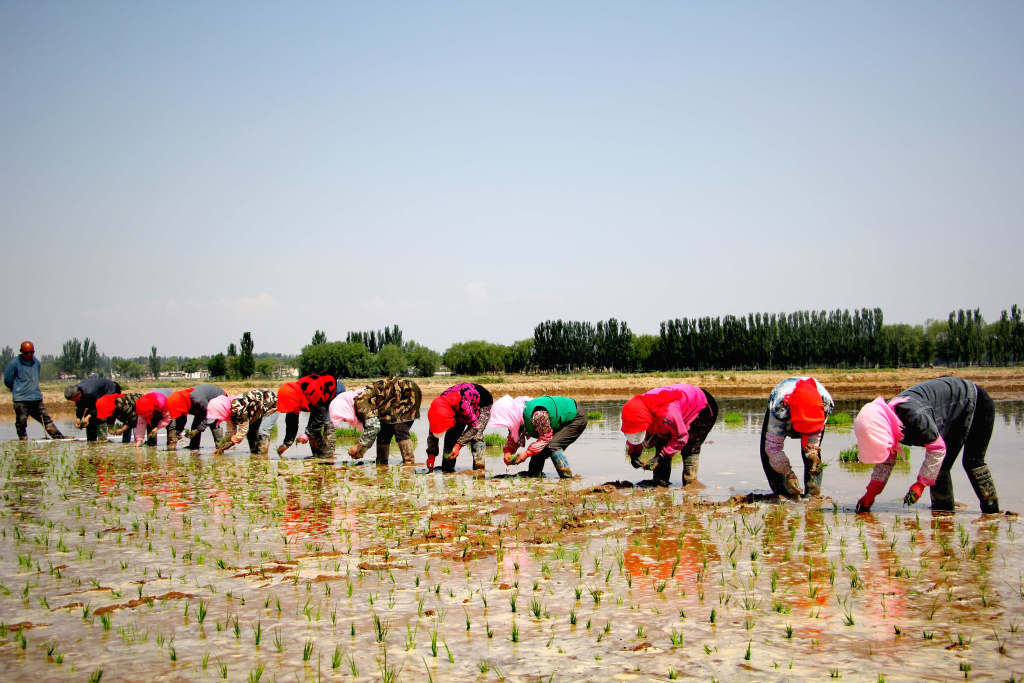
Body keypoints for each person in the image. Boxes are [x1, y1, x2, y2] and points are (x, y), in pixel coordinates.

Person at [853, 377, 999, 513]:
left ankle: (991, 512)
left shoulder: (913, 415)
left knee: (973, 461)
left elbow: (937, 449)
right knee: (941, 467)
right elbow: (885, 462)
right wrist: (870, 494)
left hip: (975, 403)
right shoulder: (890, 422)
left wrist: (920, 485)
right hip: (952, 412)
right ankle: (943, 512)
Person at [620, 383, 719, 487]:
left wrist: (661, 456)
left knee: (690, 446)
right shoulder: (637, 412)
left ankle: (691, 485)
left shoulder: (667, 415)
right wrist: (634, 453)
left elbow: (681, 438)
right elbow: (634, 431)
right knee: (662, 442)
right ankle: (660, 482)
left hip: (703, 406)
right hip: (677, 407)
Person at [759, 377, 834, 497]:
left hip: (814, 403)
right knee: (767, 453)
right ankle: (782, 491)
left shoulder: (825, 404)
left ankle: (812, 493)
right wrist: (789, 474)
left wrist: (813, 454)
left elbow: (814, 439)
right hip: (786, 403)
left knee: (812, 458)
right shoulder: (779, 407)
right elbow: (772, 449)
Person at [333, 377, 422, 464]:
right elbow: (374, 429)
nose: (345, 420)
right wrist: (361, 451)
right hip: (390, 401)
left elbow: (373, 427)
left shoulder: (360, 402)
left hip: (407, 392)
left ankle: (409, 463)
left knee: (400, 428)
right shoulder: (357, 404)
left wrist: (358, 446)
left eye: (343, 418)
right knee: (384, 430)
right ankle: (381, 464)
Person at [502, 395, 587, 478]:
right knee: (539, 449)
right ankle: (534, 476)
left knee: (553, 445)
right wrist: (507, 452)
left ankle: (567, 479)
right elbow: (513, 438)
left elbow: (545, 438)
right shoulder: (515, 421)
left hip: (575, 417)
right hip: (559, 420)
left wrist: (526, 454)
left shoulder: (537, 415)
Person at [425, 383, 493, 472]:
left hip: (483, 403)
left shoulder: (463, 405)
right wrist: (431, 455)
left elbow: (475, 427)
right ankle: (447, 470)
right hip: (455, 407)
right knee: (451, 436)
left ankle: (479, 470)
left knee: (476, 436)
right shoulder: (436, 411)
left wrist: (458, 446)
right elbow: (433, 434)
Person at [4, 341, 64, 440]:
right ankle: (23, 441)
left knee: (46, 420)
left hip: (36, 398)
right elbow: (7, 380)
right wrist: (16, 389)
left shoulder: (36, 362)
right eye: (27, 352)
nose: (29, 355)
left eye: (32, 352)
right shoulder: (14, 363)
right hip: (21, 399)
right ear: (21, 352)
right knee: (21, 422)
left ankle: (59, 438)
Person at [276, 375, 341, 458]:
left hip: (334, 390)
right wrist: (287, 443)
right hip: (319, 399)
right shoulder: (294, 395)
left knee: (328, 424)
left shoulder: (312, 393)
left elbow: (319, 417)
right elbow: (292, 423)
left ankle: (328, 456)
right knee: (312, 430)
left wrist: (307, 435)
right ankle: (317, 455)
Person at [207, 389, 278, 455]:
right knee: (251, 432)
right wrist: (222, 447)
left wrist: (234, 440)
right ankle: (254, 455)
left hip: (270, 404)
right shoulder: (228, 410)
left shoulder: (238, 409)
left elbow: (243, 429)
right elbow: (231, 431)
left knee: (263, 431)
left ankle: (262, 457)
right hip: (256, 410)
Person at [166, 384, 227, 450]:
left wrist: (197, 430)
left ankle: (220, 447)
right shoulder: (183, 401)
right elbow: (181, 418)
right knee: (195, 425)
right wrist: (178, 432)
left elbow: (210, 418)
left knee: (214, 424)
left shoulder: (198, 400)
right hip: (203, 405)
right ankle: (194, 447)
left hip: (218, 399)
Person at [64, 375, 121, 441]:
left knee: (100, 416)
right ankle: (91, 440)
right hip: (97, 393)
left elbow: (98, 407)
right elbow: (80, 406)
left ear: (79, 393)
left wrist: (88, 417)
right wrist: (78, 418)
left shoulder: (90, 392)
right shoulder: (77, 392)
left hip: (110, 390)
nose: (75, 402)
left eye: (75, 400)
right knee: (90, 419)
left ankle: (102, 439)